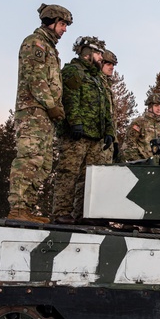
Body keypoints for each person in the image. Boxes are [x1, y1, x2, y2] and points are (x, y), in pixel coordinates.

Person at [7, 3, 72, 222]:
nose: (64, 30)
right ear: (51, 21)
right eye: (62, 24)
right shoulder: (35, 43)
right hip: (32, 112)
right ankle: (18, 208)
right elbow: (34, 78)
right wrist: (51, 104)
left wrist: (57, 108)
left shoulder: (50, 48)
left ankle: (27, 208)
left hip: (45, 115)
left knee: (43, 163)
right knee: (29, 158)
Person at [52, 36, 115, 223]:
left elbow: (105, 108)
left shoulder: (97, 78)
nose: (101, 58)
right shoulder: (73, 71)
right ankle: (61, 212)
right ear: (87, 53)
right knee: (68, 172)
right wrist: (74, 122)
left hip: (96, 135)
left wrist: (110, 131)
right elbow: (70, 98)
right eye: (98, 53)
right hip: (77, 133)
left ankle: (83, 214)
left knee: (89, 178)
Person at [123, 97, 160, 161]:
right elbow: (129, 144)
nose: (159, 109)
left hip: (156, 166)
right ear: (150, 107)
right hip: (141, 165)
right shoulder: (139, 122)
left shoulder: (159, 127)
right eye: (156, 105)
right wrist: (138, 161)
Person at [101, 49, 121, 161]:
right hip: (97, 139)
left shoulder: (108, 87)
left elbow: (112, 117)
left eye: (113, 65)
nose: (112, 67)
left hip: (109, 140)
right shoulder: (96, 83)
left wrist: (115, 141)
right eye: (108, 64)